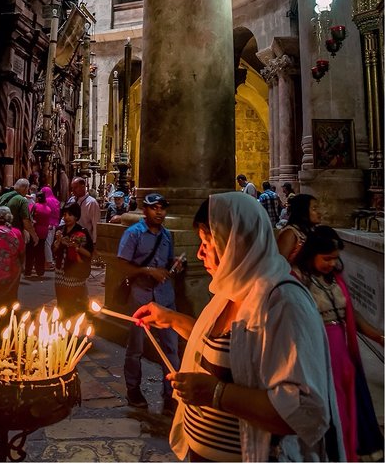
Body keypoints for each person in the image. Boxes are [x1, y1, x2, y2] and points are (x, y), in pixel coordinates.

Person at [134, 192, 343, 462]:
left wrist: (216, 393)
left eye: (207, 243)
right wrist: (172, 319)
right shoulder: (231, 291)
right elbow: (232, 348)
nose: (199, 253)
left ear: (237, 243)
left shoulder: (284, 304)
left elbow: (304, 410)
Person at [293, 225, 384, 461]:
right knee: (332, 406)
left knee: (347, 402)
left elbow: (350, 313)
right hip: (320, 351)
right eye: (327, 258)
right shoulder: (298, 280)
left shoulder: (334, 279)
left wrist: (379, 337)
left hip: (343, 351)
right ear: (312, 253)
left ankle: (349, 450)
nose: (332, 263)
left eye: (335, 258)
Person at [117, 192, 182, 414]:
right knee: (135, 346)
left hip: (164, 297)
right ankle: (133, 389)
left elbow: (167, 262)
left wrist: (175, 265)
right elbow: (122, 266)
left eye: (162, 208)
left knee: (170, 347)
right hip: (140, 296)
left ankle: (171, 394)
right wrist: (147, 271)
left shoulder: (166, 236)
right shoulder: (133, 234)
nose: (159, 212)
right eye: (155, 208)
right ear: (144, 210)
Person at [52, 202, 93, 318]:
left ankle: (75, 326)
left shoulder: (82, 232)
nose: (66, 217)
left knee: (75, 303)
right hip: (60, 272)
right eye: (64, 214)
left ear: (76, 216)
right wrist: (58, 241)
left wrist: (75, 246)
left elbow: (89, 253)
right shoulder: (60, 230)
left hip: (74, 273)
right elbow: (54, 251)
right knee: (62, 301)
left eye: (70, 214)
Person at [277, 192, 322, 264]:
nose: (319, 212)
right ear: (303, 211)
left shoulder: (310, 230)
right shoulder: (290, 233)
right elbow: (280, 264)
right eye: (314, 209)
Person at [0, 178, 39, 247]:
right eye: (27, 189)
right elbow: (26, 222)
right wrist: (34, 236)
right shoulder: (22, 200)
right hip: (14, 237)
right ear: (24, 188)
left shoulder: (3, 196)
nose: (27, 191)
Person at [66, 176, 101, 245]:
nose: (73, 190)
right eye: (72, 188)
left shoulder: (92, 203)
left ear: (83, 186)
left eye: (75, 187)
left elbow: (95, 225)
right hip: (71, 239)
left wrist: (94, 242)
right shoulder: (71, 200)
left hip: (85, 240)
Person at [24, 190, 51, 278]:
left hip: (35, 231)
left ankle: (28, 271)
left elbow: (30, 216)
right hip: (44, 232)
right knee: (40, 252)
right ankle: (40, 271)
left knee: (30, 252)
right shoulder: (48, 209)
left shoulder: (35, 206)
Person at [41, 185, 60, 271]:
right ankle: (48, 261)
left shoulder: (47, 200)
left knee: (47, 243)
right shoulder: (55, 200)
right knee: (50, 242)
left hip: (48, 224)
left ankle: (49, 262)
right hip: (54, 224)